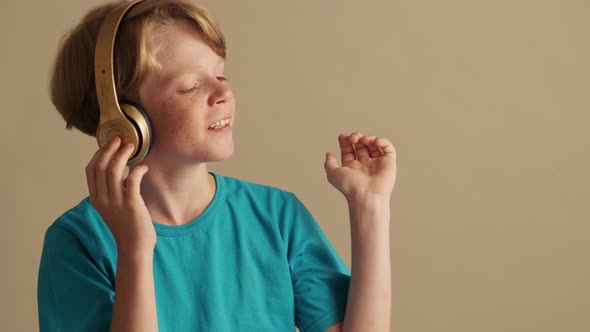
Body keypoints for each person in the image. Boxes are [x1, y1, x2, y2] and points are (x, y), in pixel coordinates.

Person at [37, 0, 397, 331]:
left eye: (220, 75)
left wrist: (371, 207)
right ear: (124, 119)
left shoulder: (277, 216)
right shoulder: (77, 241)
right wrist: (135, 251)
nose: (222, 93)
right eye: (190, 85)